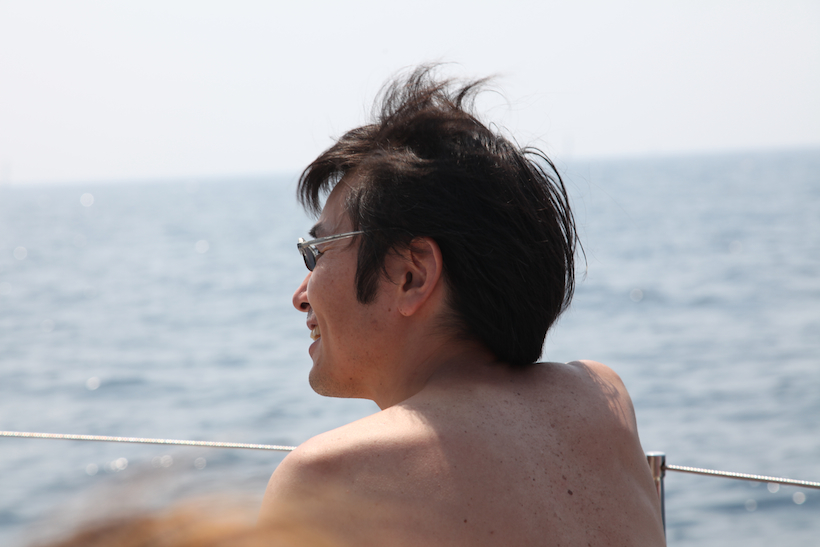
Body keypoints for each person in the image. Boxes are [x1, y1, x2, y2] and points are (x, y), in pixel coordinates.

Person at [260, 66, 666, 546]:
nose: (300, 295)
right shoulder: (601, 399)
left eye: (318, 252)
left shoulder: (327, 479)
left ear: (412, 276)